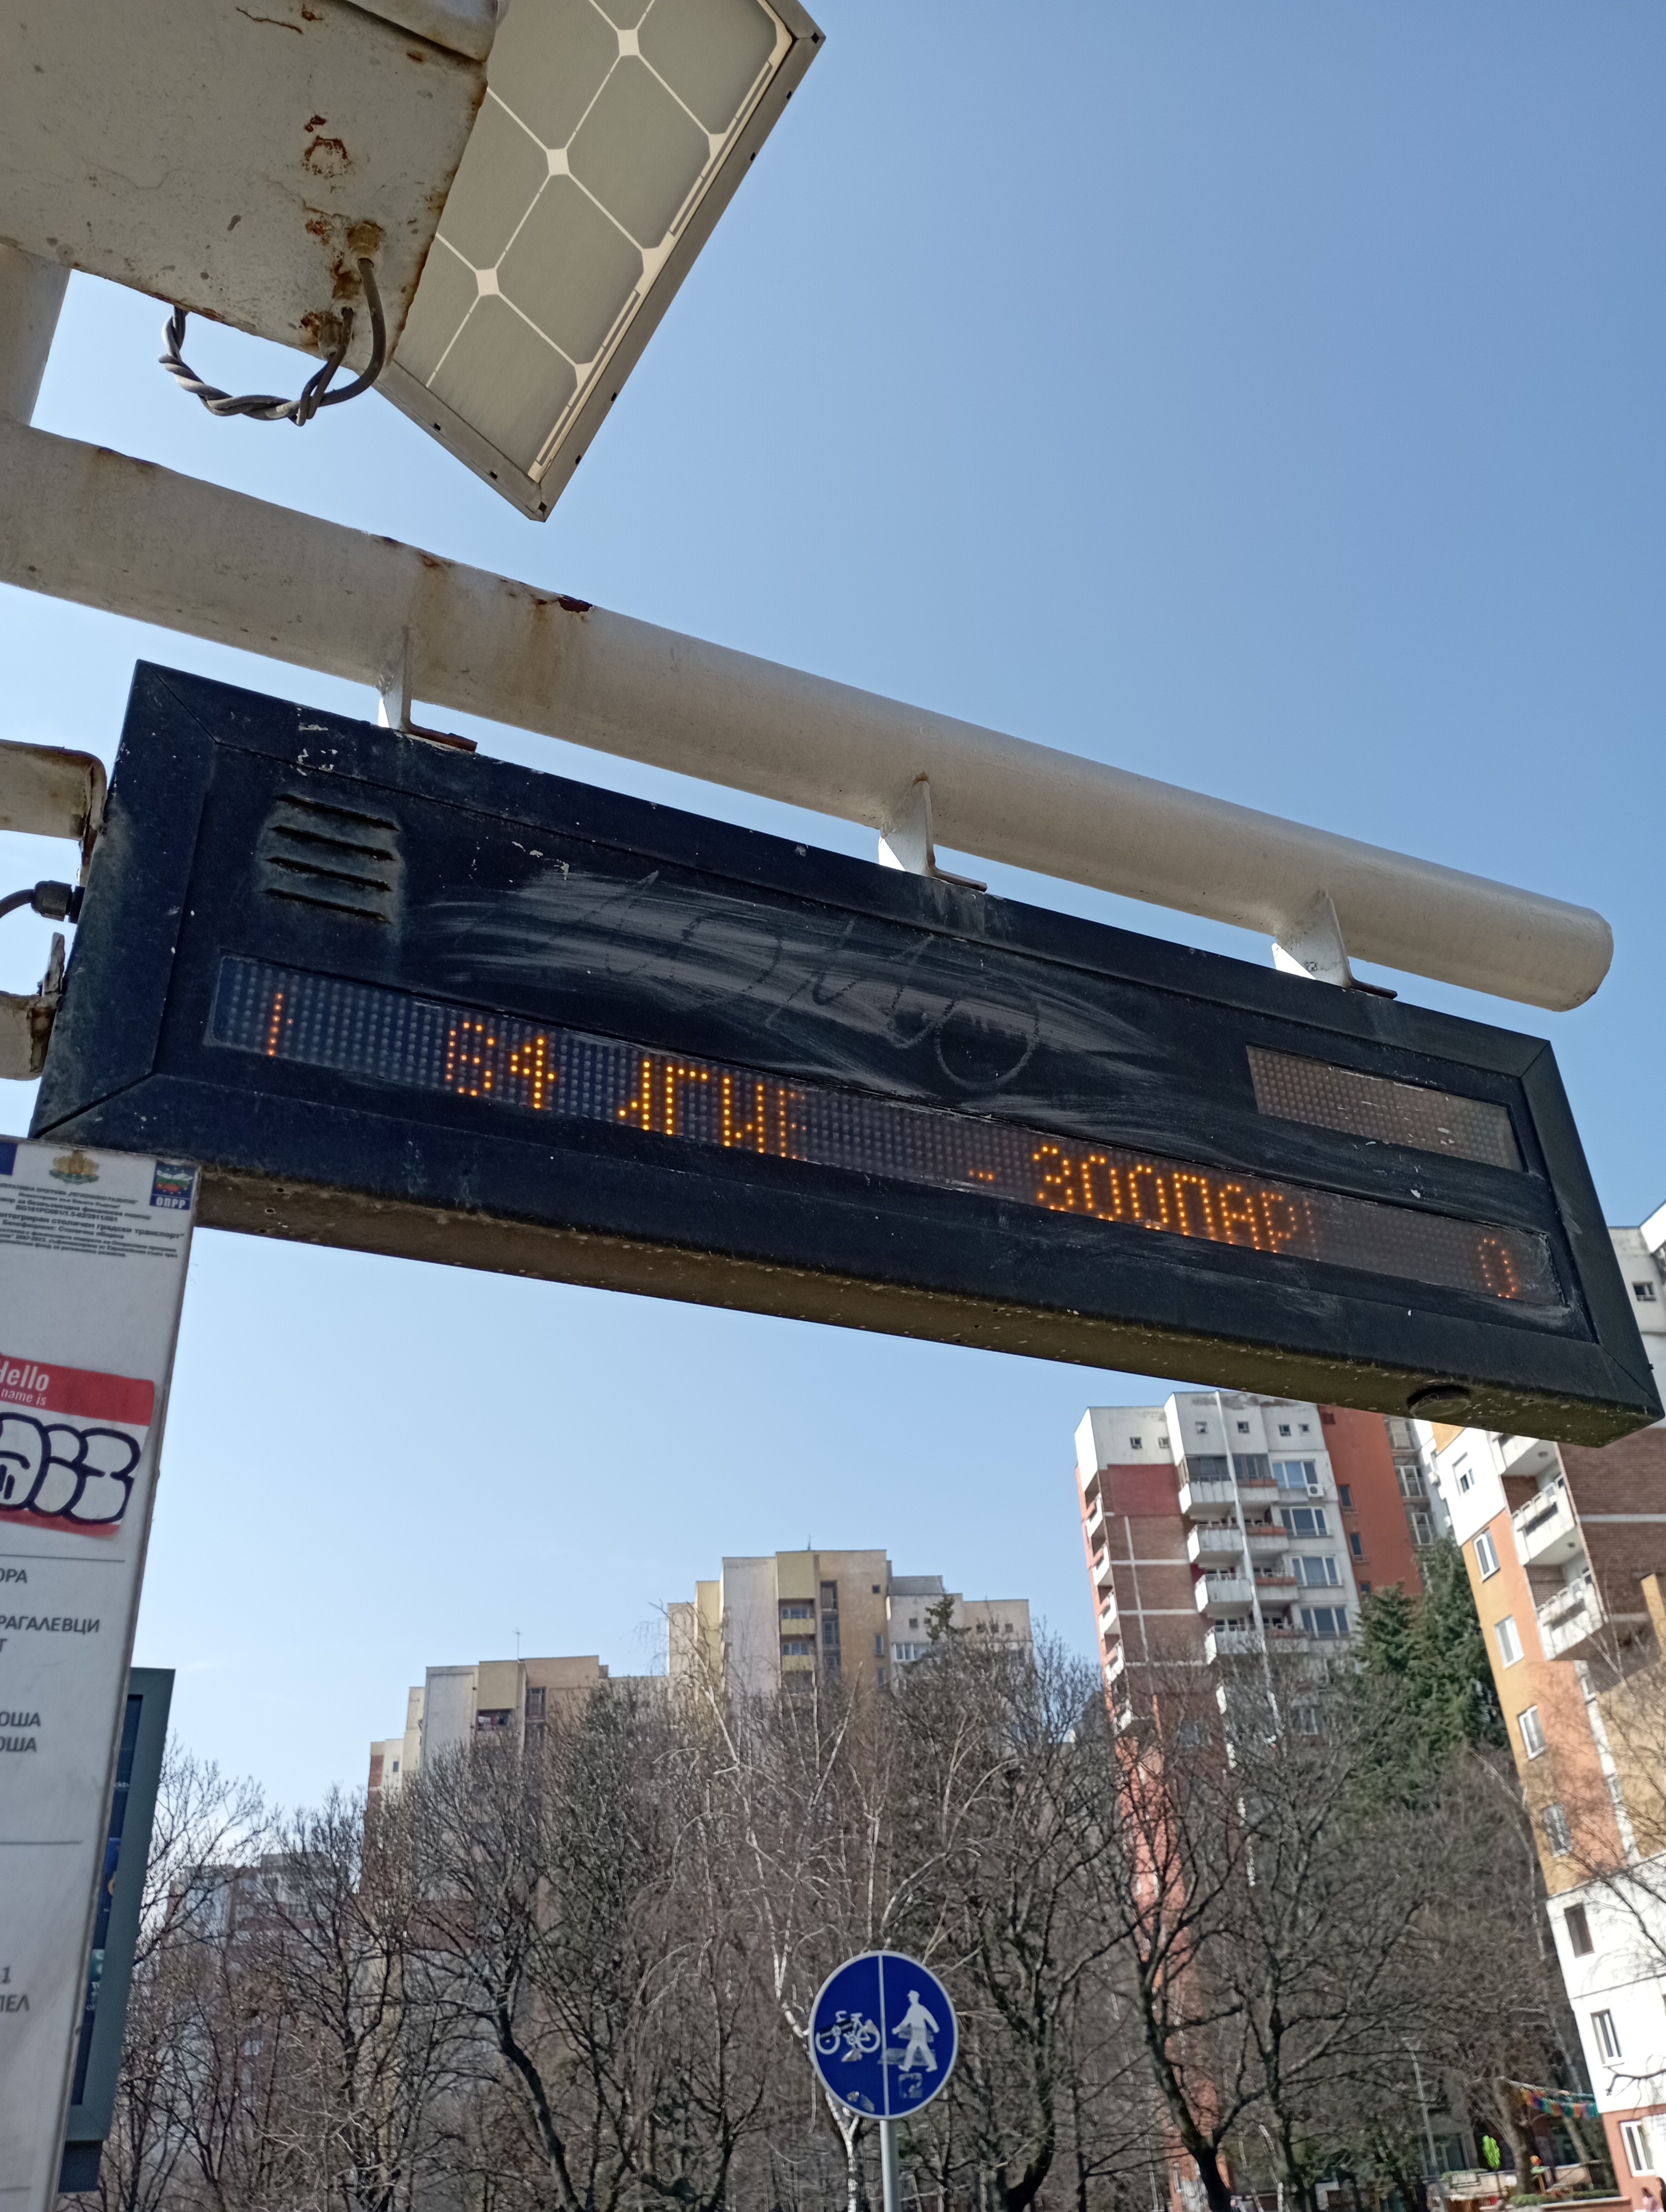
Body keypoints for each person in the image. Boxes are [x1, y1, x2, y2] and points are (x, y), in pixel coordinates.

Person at [896, 1988, 939, 2072]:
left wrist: (897, 2030)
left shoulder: (913, 2010)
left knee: (912, 2048)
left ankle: (907, 2067)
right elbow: (929, 2018)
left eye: (910, 1997)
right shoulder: (919, 2008)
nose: (910, 1999)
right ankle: (933, 2065)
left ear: (913, 1998)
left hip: (918, 2032)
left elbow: (906, 2022)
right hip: (920, 2032)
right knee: (923, 2048)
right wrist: (935, 2027)